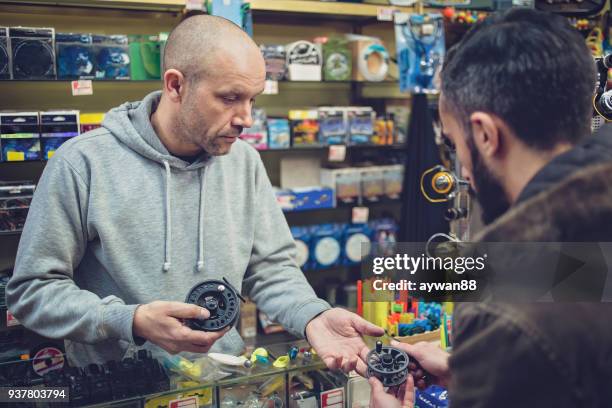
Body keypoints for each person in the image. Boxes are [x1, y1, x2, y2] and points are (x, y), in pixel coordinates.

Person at [6, 15, 383, 369]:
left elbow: (270, 268)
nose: (246, 118)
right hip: (122, 387)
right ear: (175, 85)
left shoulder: (244, 162)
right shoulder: (83, 162)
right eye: (230, 97)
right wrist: (129, 320)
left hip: (224, 383)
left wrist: (312, 315)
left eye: (253, 99)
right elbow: (32, 292)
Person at [371, 8, 612, 408]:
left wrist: (492, 356)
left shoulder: (502, 307)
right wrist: (481, 373)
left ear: (484, 134)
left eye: (455, 143)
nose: (463, 168)